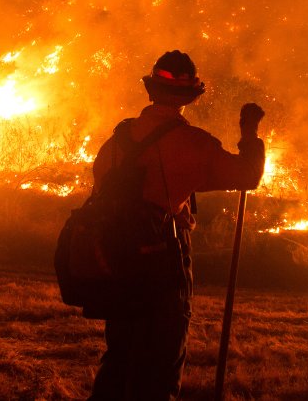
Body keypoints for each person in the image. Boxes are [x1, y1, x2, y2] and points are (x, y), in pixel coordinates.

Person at [88, 50, 266, 401]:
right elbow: (247, 175)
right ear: (188, 97)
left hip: (116, 262)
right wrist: (249, 131)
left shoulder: (117, 141)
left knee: (121, 357)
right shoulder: (192, 143)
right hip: (161, 263)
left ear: (151, 91)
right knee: (160, 363)